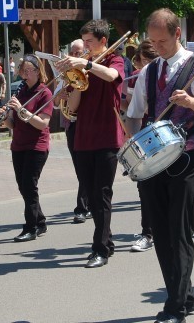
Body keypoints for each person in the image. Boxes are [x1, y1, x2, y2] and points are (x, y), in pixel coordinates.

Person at [125, 8, 194, 323]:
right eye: (153, 42)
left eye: (163, 41)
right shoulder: (150, 71)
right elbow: (134, 113)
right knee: (161, 231)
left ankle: (176, 306)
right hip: (154, 161)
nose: (158, 47)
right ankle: (186, 295)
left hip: (189, 155)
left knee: (179, 231)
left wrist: (192, 102)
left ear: (178, 34)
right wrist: (132, 144)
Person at [54, 19, 125, 269]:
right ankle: (107, 239)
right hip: (83, 135)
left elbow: (112, 76)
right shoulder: (84, 67)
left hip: (107, 135)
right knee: (90, 193)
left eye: (89, 42)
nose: (84, 46)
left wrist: (85, 63)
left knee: (102, 192)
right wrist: (72, 84)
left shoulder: (114, 59)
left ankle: (100, 248)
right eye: (83, 42)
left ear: (103, 41)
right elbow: (71, 110)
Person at [2, 55, 53, 242]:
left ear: (38, 72)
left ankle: (30, 227)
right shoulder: (20, 92)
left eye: (28, 71)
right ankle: (40, 221)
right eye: (22, 71)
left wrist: (22, 110)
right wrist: (6, 116)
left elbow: (42, 124)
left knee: (29, 185)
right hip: (18, 145)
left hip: (37, 146)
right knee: (23, 186)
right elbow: (13, 125)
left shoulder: (44, 93)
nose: (24, 75)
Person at [120, 39, 159, 252]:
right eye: (143, 61)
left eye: (149, 61)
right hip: (143, 134)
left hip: (161, 132)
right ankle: (148, 232)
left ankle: (161, 229)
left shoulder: (162, 75)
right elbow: (133, 110)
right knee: (144, 186)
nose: (145, 66)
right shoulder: (138, 78)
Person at [59, 39, 91, 224]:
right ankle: (88, 204)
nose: (76, 55)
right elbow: (57, 103)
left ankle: (82, 207)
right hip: (71, 123)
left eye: (79, 52)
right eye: (73, 52)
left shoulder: (88, 71)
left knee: (85, 167)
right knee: (80, 168)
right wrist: (61, 97)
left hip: (85, 123)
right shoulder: (66, 75)